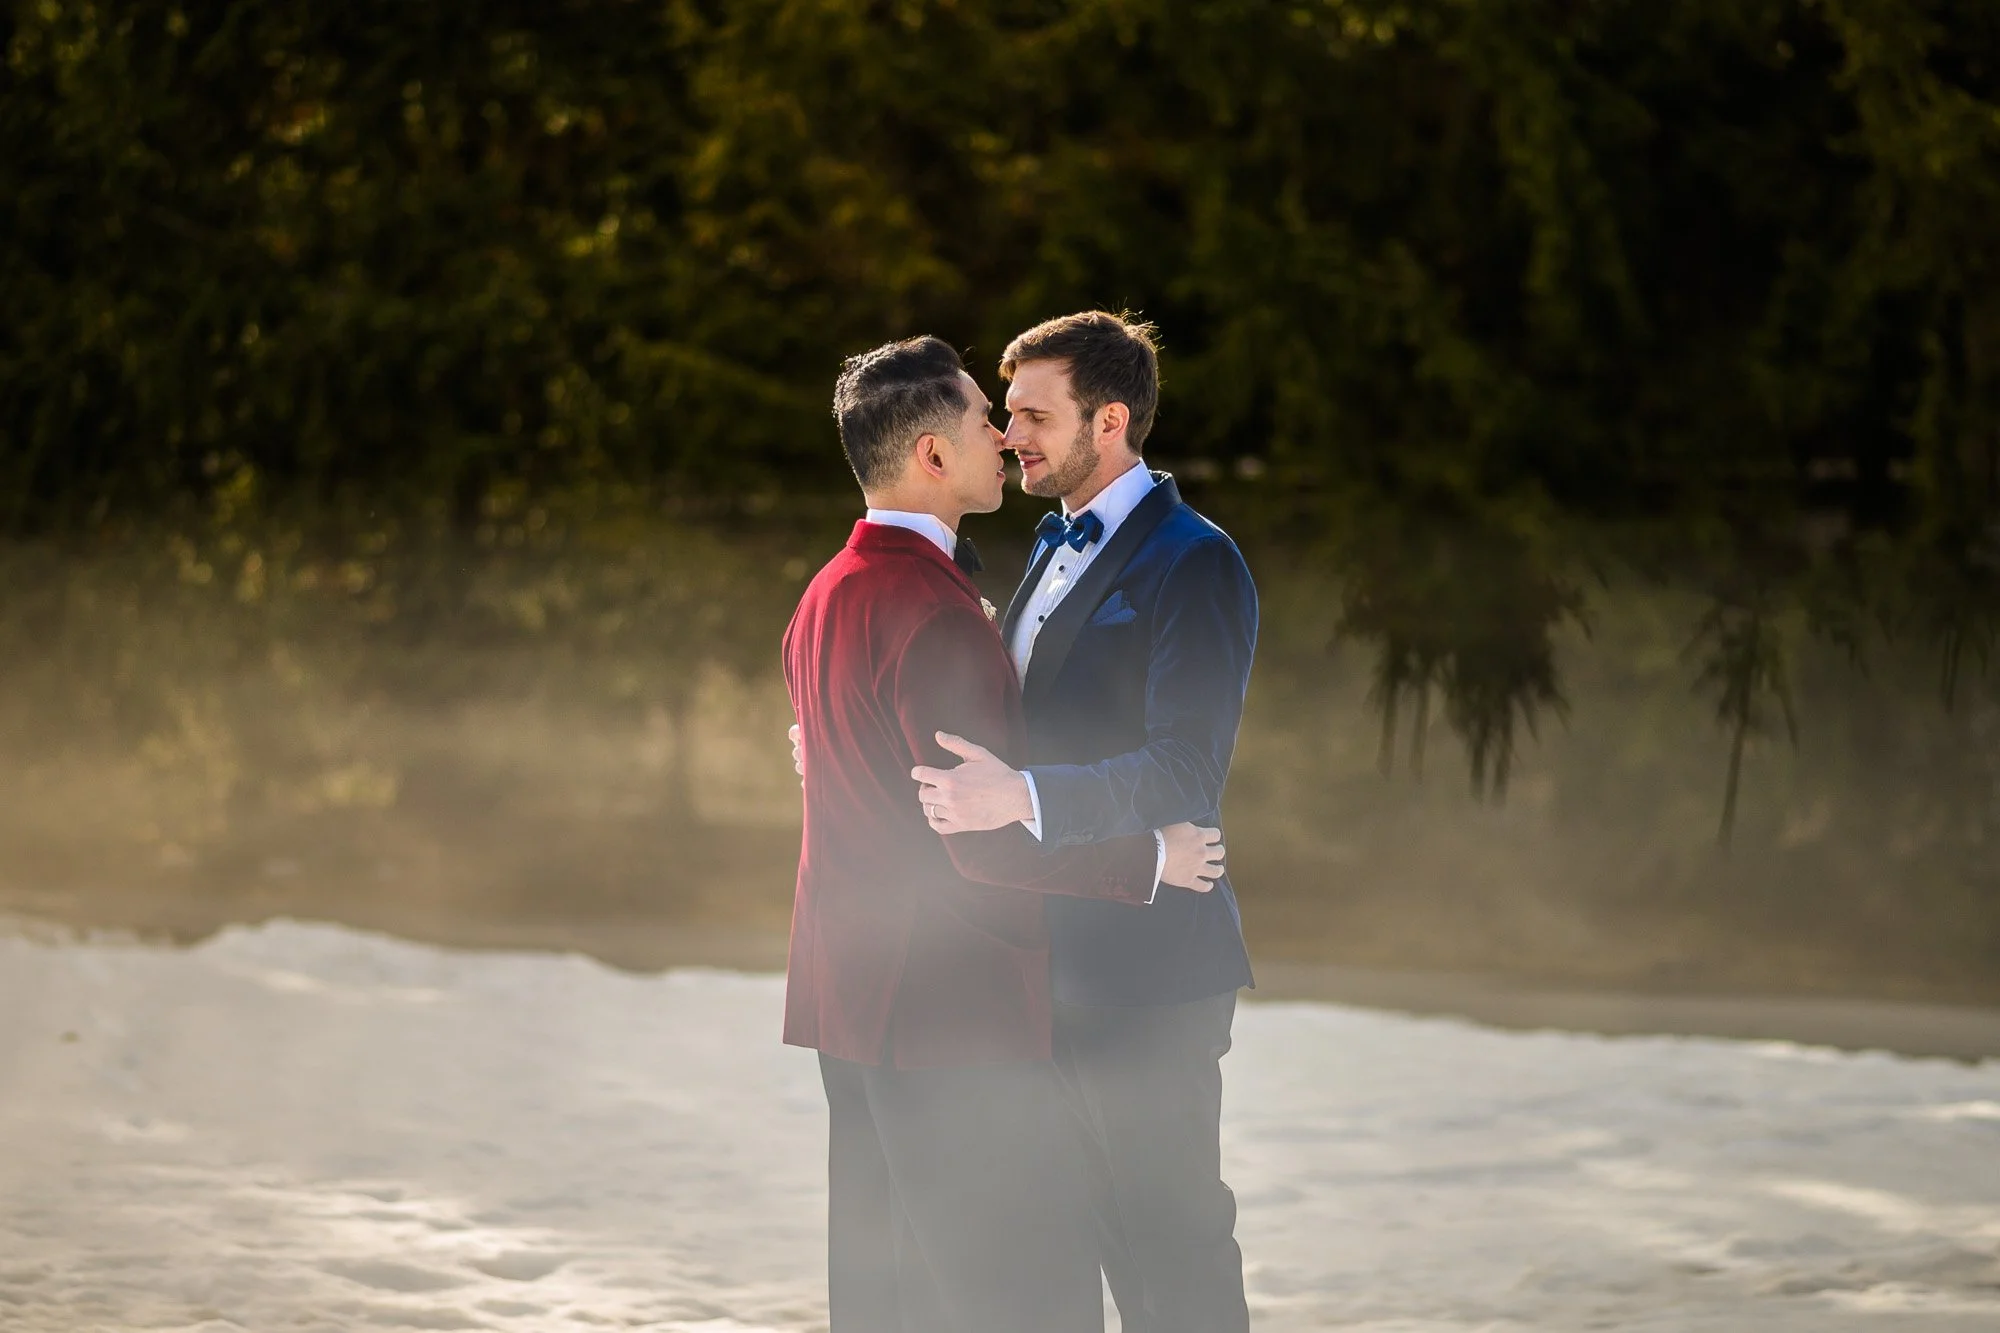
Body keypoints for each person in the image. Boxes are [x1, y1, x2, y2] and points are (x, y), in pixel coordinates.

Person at [782, 334, 1226, 1333]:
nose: (1002, 436)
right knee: (1030, 1304)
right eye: (989, 417)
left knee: (889, 1302)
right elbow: (977, 834)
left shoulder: (827, 589)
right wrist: (1150, 860)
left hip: (847, 1003)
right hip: (948, 1013)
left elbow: (858, 760)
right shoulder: (933, 612)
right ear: (933, 455)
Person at [910, 312, 1259, 1333]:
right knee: (1089, 1238)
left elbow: (1185, 766)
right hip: (1049, 954)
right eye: (1008, 413)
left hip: (1153, 964)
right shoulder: (1044, 545)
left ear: (1109, 421)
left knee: (1172, 1242)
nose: (1008, 434)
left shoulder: (1196, 560)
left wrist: (1023, 797)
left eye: (1033, 415)